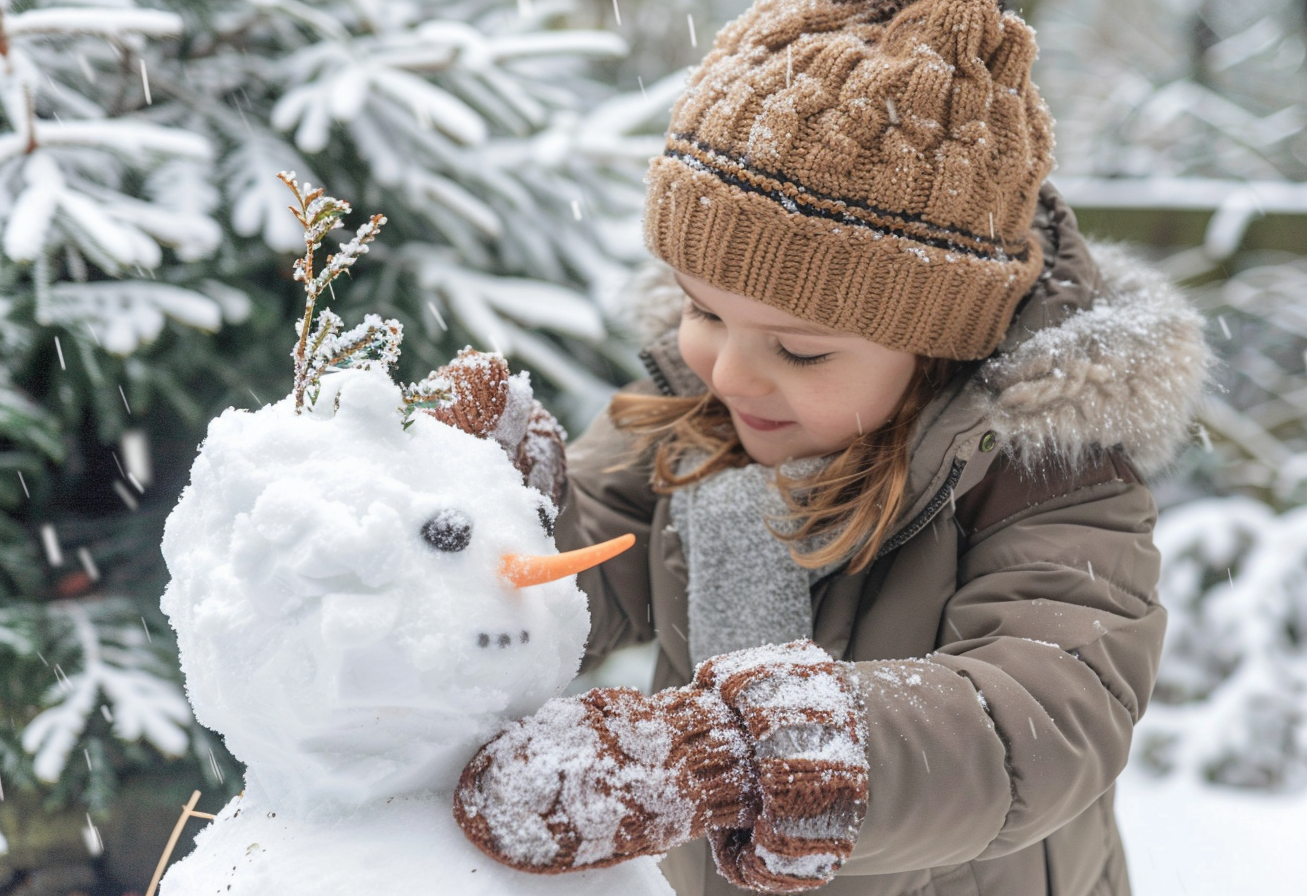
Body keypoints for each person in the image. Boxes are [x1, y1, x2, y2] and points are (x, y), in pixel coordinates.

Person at [453, 1, 1210, 894]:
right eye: (702, 311)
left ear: (940, 343)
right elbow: (577, 581)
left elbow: (1041, 722)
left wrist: (767, 752)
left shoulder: (1049, 480)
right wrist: (488, 519)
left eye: (800, 348)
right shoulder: (695, 417)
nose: (728, 372)